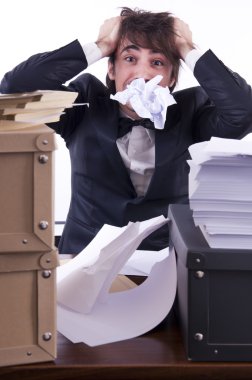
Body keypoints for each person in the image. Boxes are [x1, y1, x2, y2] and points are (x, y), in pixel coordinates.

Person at [1, 7, 251, 255]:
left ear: (172, 78)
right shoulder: (85, 103)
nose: (142, 73)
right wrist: (101, 45)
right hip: (83, 256)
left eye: (157, 62)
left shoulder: (192, 111)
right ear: (112, 69)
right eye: (130, 59)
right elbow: (15, 89)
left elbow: (244, 111)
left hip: (166, 259)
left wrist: (188, 49)